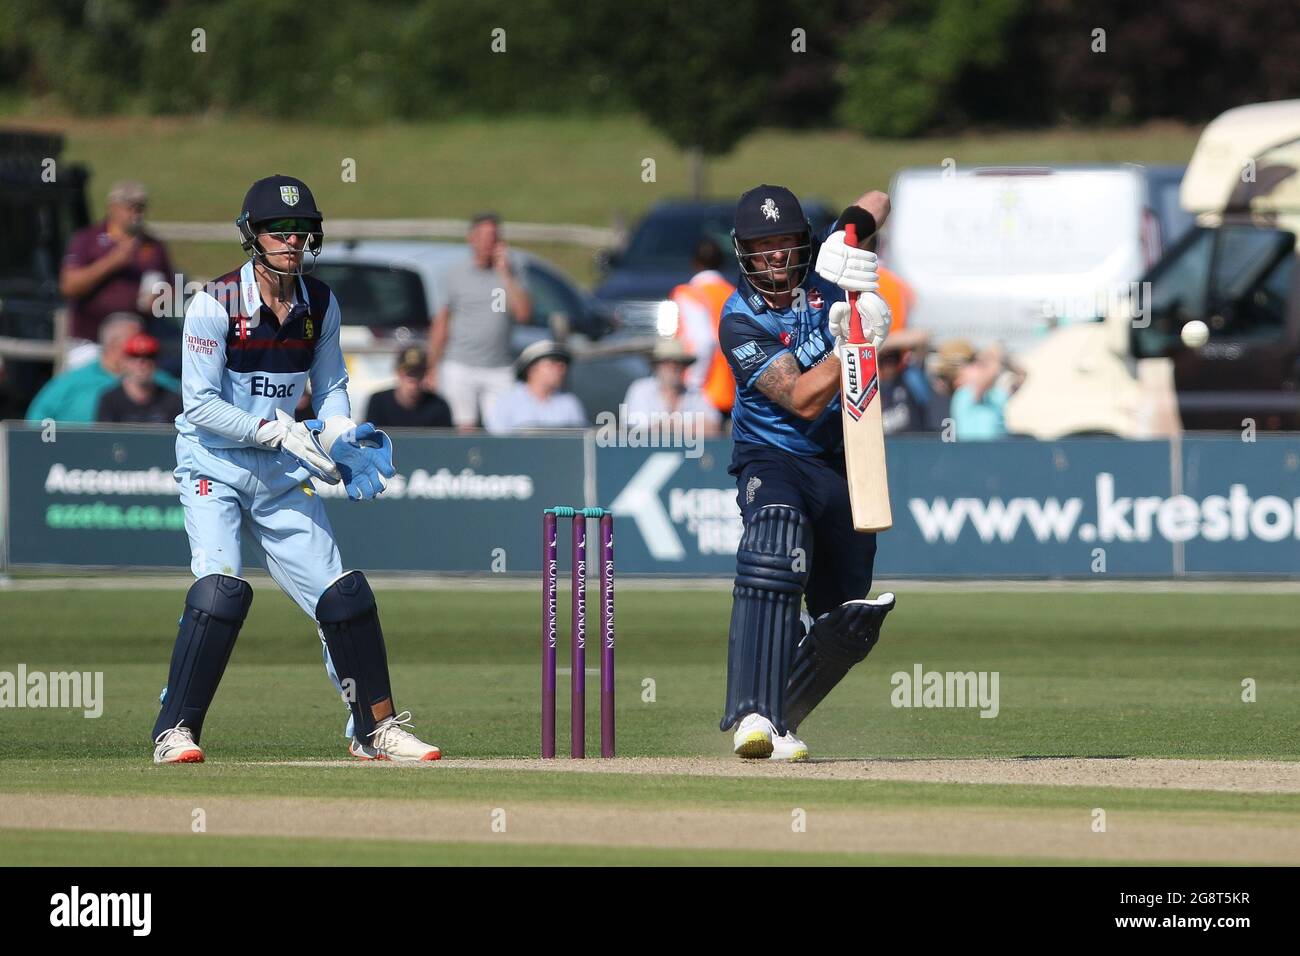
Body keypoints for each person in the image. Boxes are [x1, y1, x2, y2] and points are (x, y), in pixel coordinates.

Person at [151, 173, 441, 765]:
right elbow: (200, 408)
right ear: (252, 237)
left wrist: (339, 435)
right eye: (278, 232)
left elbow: (331, 386)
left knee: (341, 595)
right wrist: (277, 428)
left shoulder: (322, 304)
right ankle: (175, 730)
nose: (291, 243)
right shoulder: (214, 304)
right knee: (220, 591)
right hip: (216, 465)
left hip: (281, 474)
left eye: (302, 232)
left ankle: (373, 728)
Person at [717, 183, 898, 762]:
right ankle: (750, 711)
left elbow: (879, 198)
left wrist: (850, 231)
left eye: (786, 241)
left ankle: (779, 721)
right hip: (771, 454)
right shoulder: (738, 319)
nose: (776, 255)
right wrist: (852, 347)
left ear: (804, 241)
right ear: (744, 251)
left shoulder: (827, 275)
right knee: (775, 541)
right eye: (763, 245)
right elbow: (798, 396)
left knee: (842, 621)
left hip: (841, 463)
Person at [425, 213, 533, 430]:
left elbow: (523, 314)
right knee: (463, 427)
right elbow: (442, 322)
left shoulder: (512, 271)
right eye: (482, 236)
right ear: (471, 239)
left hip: (499, 366)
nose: (488, 242)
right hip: (460, 364)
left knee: (502, 429)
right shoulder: (456, 274)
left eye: (493, 237)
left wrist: (505, 273)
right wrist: (432, 366)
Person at [59, 181, 175, 354]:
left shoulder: (152, 245)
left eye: (140, 208)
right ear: (112, 207)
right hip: (90, 341)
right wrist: (112, 262)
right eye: (130, 207)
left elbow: (172, 287)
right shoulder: (87, 239)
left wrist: (160, 299)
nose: (136, 214)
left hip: (137, 342)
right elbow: (69, 286)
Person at [25, 313, 179, 424]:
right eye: (134, 344)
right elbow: (36, 421)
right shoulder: (71, 382)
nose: (142, 348)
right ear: (112, 345)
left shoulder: (158, 381)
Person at [670, 238, 736, 416]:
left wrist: (693, 384)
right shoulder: (733, 294)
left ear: (694, 262)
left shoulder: (689, 294)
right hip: (732, 390)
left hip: (704, 394)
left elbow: (704, 340)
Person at [622, 337, 722, 437]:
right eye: (667, 363)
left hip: (687, 451)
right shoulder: (641, 390)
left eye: (678, 363)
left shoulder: (694, 394)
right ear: (657, 366)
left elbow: (713, 427)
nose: (673, 368)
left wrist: (667, 426)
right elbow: (639, 430)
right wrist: (687, 428)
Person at [484, 340, 585, 434]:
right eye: (553, 362)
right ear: (532, 368)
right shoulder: (507, 400)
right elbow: (497, 442)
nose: (561, 369)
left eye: (563, 365)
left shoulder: (569, 403)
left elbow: (581, 442)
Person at [95, 333, 183, 424]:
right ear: (124, 361)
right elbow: (103, 436)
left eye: (149, 356)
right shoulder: (110, 400)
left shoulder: (172, 400)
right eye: (134, 356)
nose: (141, 362)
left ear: (156, 361)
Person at [366, 347, 452, 428]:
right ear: (398, 373)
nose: (413, 377)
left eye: (418, 372)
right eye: (408, 372)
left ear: (424, 374)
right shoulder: (378, 403)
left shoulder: (438, 406)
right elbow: (369, 440)